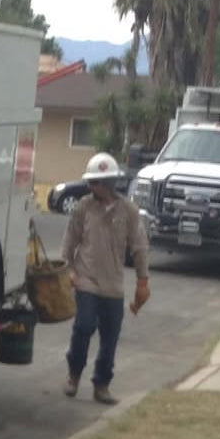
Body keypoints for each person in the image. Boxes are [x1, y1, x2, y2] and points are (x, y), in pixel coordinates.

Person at [60, 151, 151, 406]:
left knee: (110, 337)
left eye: (96, 182)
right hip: (86, 280)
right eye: (90, 182)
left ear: (110, 183)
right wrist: (67, 268)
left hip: (113, 285)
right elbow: (70, 239)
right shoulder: (83, 208)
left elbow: (139, 247)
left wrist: (143, 281)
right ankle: (74, 374)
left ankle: (102, 384)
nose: (91, 187)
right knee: (84, 327)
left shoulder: (129, 212)